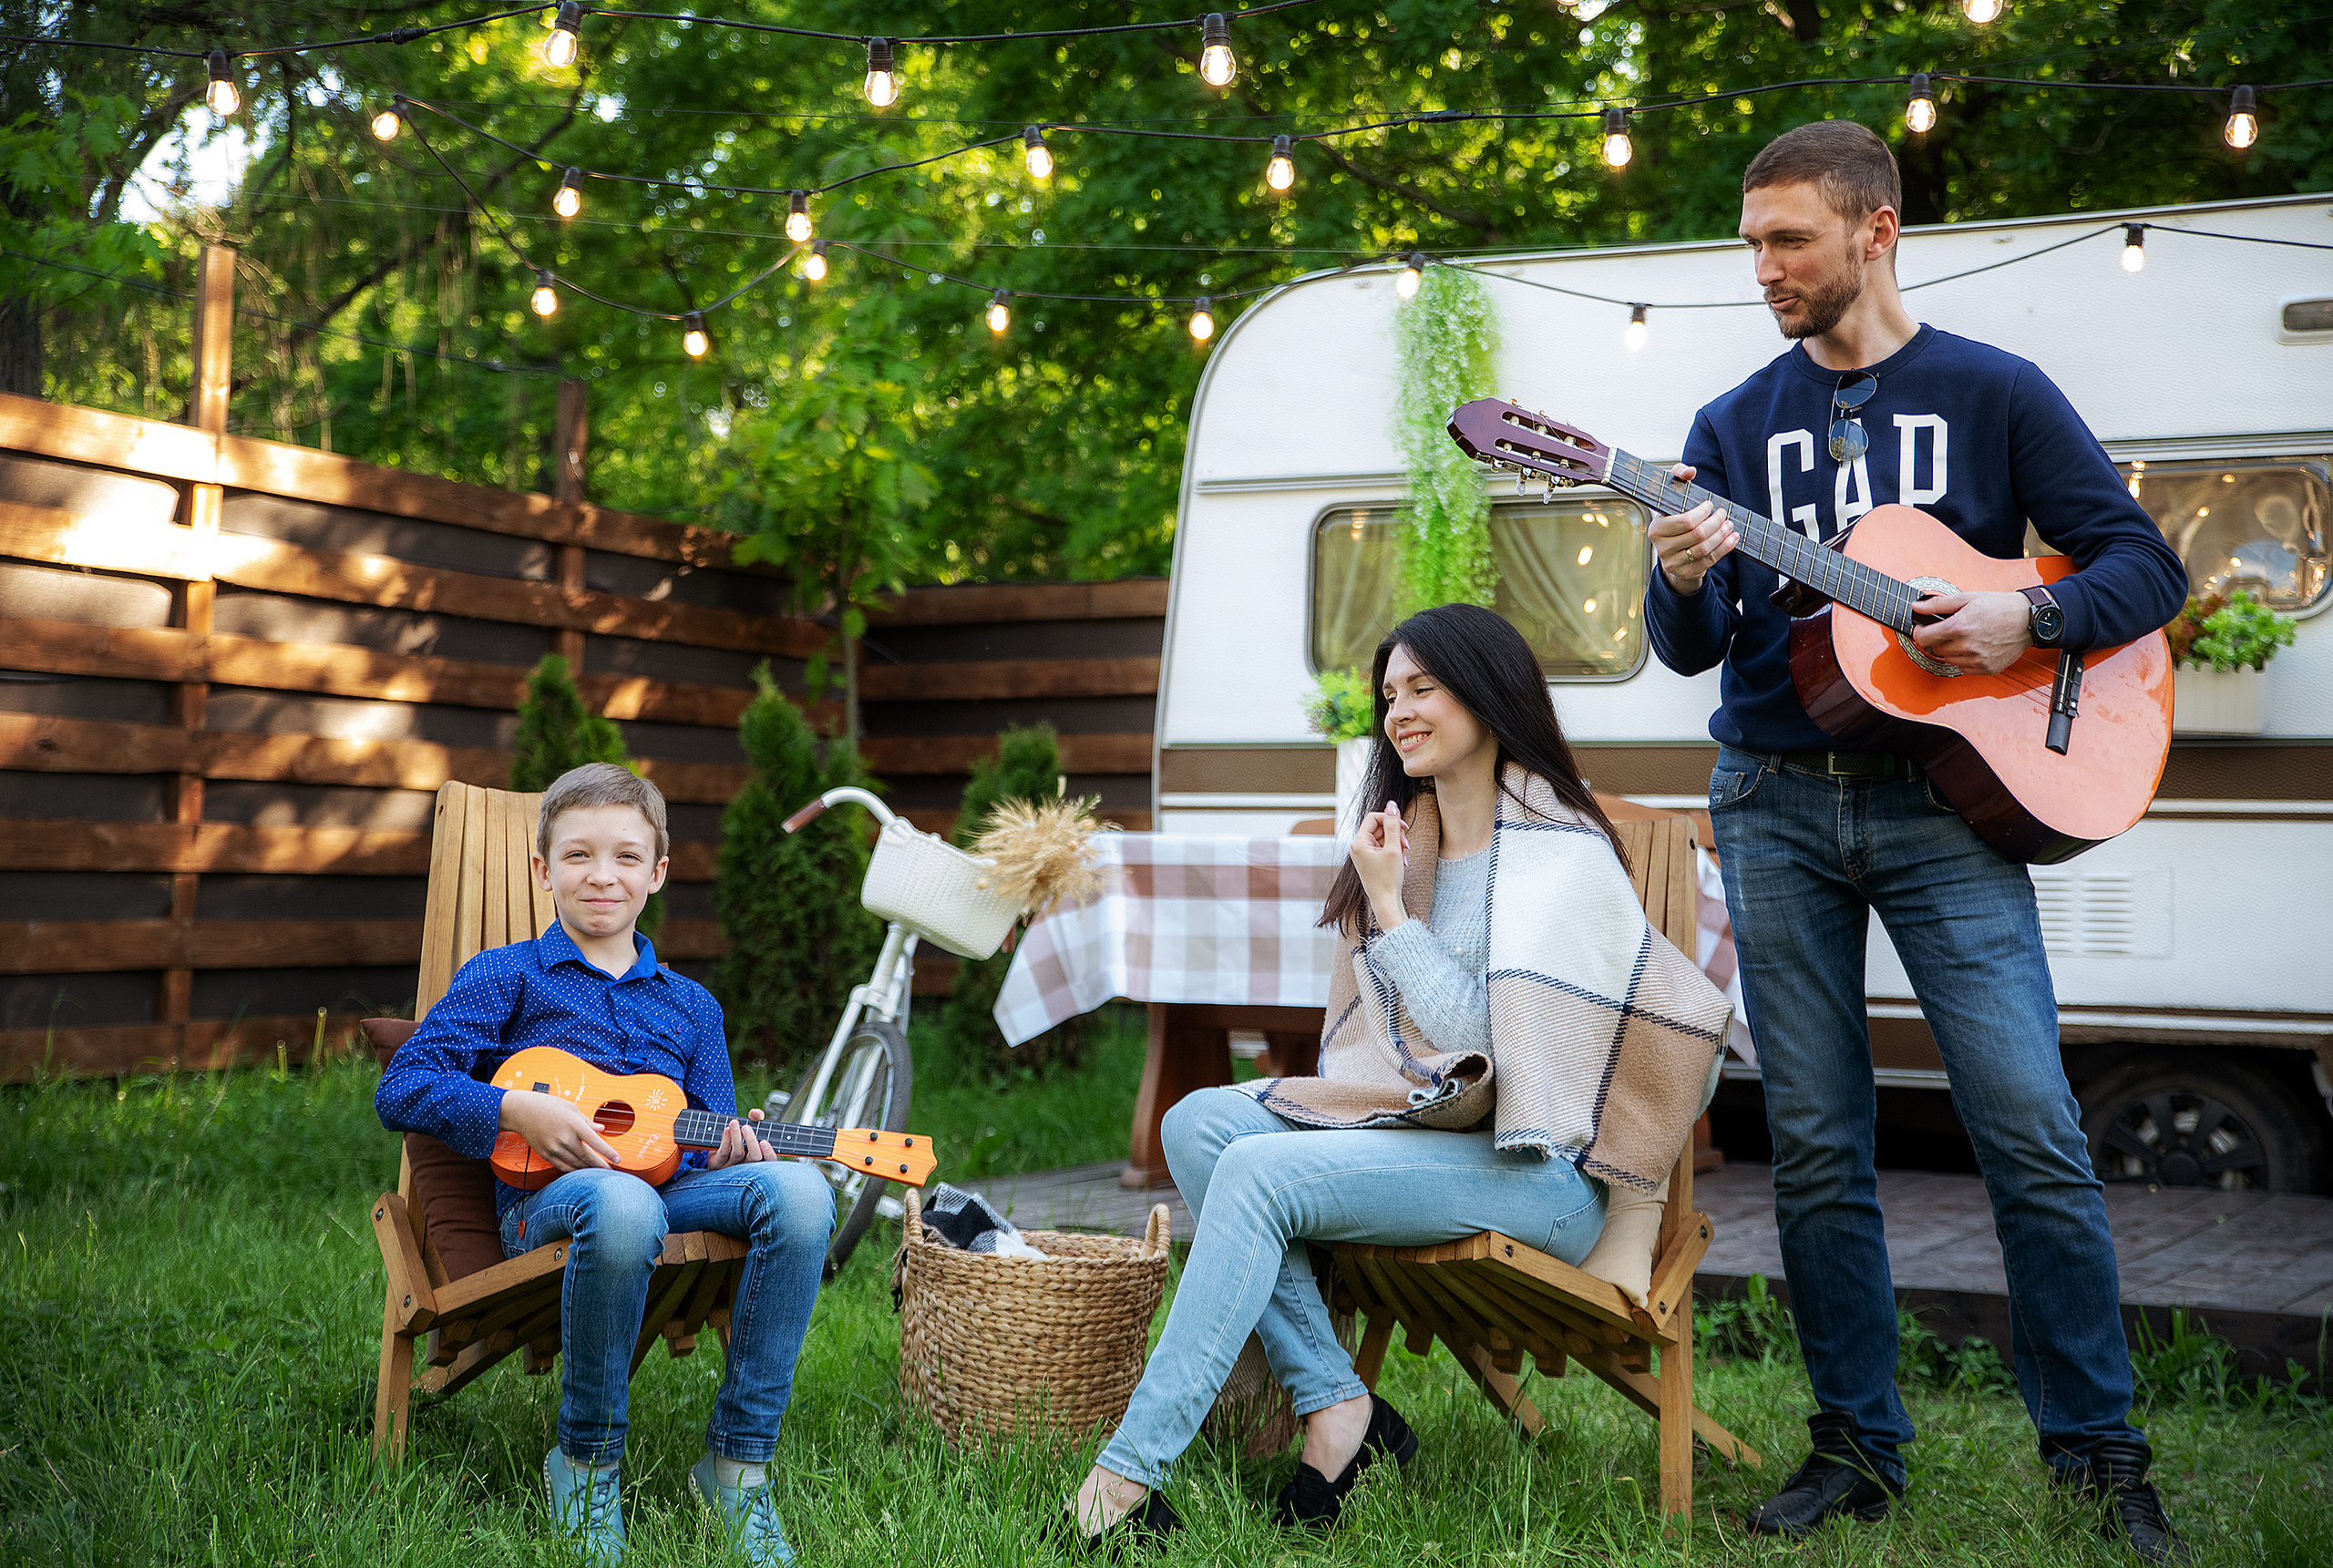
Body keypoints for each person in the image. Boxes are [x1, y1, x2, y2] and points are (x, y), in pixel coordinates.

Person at [1641, 121, 2191, 1562]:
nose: (1764, 268)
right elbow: (1693, 646)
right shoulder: (1731, 425)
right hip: (1773, 798)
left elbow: (2148, 567)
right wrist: (1684, 572)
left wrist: (2033, 617)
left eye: (1790, 240)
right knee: (1818, 1143)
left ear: (1875, 231)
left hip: (1951, 806)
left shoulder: (1994, 394)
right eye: (1753, 242)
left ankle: (2096, 1456)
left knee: (2033, 1129)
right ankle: (1856, 1451)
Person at [1058, 603, 1727, 1551]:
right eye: (1389, 695)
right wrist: (1382, 889)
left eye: (1423, 688)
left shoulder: (1556, 850)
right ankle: (1341, 1408)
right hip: (1429, 1134)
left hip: (1537, 1173)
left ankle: (1120, 1481)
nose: (1399, 711)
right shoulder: (1401, 840)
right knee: (1197, 1122)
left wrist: (1384, 904)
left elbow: (1481, 1056)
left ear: (1488, 694)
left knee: (1256, 1173)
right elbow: (1394, 1049)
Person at [376, 763, 832, 1567]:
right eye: (579, 855)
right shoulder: (504, 975)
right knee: (621, 1201)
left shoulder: (694, 1005)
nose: (602, 875)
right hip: (548, 1208)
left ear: (657, 873)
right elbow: (403, 1086)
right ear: (543, 869)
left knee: (799, 1191)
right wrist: (512, 1109)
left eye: (626, 857)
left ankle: (736, 1467)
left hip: (668, 1199)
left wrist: (736, 1146)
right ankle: (586, 1464)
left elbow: (701, 1140)